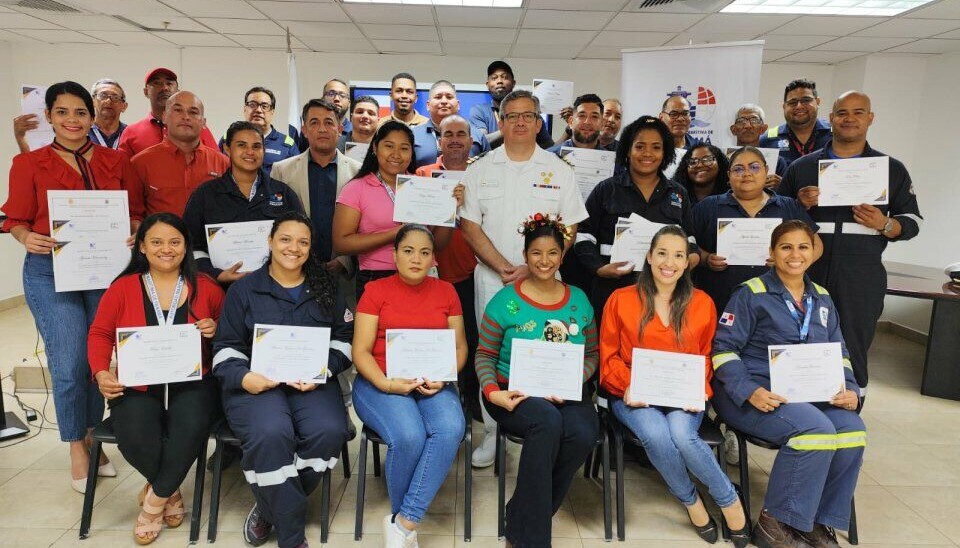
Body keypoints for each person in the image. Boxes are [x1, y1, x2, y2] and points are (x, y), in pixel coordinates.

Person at [1, 81, 138, 493]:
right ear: (49, 117)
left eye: (80, 113)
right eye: (62, 112)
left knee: (96, 360)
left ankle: (94, 433)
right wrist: (26, 237)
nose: (72, 121)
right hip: (50, 272)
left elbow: (136, 213)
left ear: (92, 117)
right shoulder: (28, 164)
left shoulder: (118, 162)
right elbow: (15, 219)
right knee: (67, 363)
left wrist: (133, 230)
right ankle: (76, 445)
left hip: (103, 272)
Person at [711, 220, 865, 548]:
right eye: (786, 247)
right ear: (771, 253)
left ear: (813, 253)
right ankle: (775, 524)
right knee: (817, 431)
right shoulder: (751, 293)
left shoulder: (822, 298)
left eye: (803, 247)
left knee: (853, 430)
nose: (795, 254)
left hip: (812, 397)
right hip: (753, 395)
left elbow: (840, 353)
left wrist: (850, 390)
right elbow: (723, 350)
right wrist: (749, 390)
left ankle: (815, 522)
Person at [460, 89, 588, 468]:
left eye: (527, 115)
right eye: (511, 115)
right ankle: (493, 433)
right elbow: (469, 225)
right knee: (493, 354)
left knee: (543, 349)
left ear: (538, 122)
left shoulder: (559, 170)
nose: (519, 122)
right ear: (499, 122)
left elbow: (570, 227)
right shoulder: (480, 168)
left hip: (547, 282)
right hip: (493, 280)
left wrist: (533, 268)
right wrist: (503, 265)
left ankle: (542, 427)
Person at [599, 225, 750, 548]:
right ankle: (691, 501)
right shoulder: (620, 300)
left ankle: (728, 500)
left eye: (678, 255)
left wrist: (699, 392)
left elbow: (709, 357)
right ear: (650, 257)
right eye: (663, 253)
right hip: (632, 395)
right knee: (656, 434)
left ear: (687, 263)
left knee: (682, 434)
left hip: (683, 396)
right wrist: (627, 386)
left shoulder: (703, 303)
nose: (670, 262)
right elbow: (608, 356)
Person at [212, 212, 353, 548]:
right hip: (256, 387)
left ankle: (269, 507)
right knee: (270, 433)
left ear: (310, 248)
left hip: (311, 384)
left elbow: (345, 339)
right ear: (270, 242)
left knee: (330, 431)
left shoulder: (326, 287)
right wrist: (244, 377)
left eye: (303, 242)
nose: (294, 248)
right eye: (286, 239)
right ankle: (291, 535)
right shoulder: (244, 290)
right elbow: (224, 349)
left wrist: (324, 370)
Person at [87, 213, 223, 545]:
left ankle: (152, 504)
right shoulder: (123, 287)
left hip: (194, 382)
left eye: (175, 242)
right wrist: (102, 372)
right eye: (157, 242)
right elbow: (100, 334)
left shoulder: (206, 286)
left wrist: (215, 330)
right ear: (143, 247)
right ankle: (169, 491)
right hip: (136, 382)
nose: (166, 249)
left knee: (190, 429)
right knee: (134, 435)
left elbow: (232, 334)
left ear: (186, 247)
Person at [778, 91, 922, 392]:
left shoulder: (890, 168)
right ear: (830, 118)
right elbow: (773, 217)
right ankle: (802, 405)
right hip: (804, 270)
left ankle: (852, 402)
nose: (849, 119)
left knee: (853, 341)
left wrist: (885, 223)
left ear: (870, 118)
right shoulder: (802, 167)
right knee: (798, 336)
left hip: (861, 272)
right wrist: (799, 205)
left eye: (858, 112)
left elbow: (912, 223)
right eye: (842, 112)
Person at [475, 214, 599, 548]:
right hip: (510, 392)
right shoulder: (505, 301)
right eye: (536, 253)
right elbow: (484, 355)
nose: (544, 261)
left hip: (565, 391)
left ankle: (522, 513)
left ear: (562, 255)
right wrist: (492, 393)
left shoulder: (578, 299)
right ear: (526, 255)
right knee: (546, 422)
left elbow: (592, 354)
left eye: (552, 253)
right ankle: (529, 538)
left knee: (584, 432)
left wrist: (575, 379)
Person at [351, 224, 468, 548]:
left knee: (450, 427)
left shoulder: (446, 291)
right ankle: (405, 526)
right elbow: (359, 351)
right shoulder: (375, 292)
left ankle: (403, 522)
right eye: (408, 250)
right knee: (408, 435)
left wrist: (444, 376)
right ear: (394, 255)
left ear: (433, 259)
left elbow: (460, 348)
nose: (416, 258)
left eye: (425, 252)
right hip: (380, 382)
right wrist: (387, 384)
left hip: (432, 381)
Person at [574, 116, 698, 321]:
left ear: (665, 152)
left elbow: (690, 241)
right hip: (612, 290)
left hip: (665, 295)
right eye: (639, 146)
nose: (647, 153)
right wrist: (598, 268)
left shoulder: (678, 194)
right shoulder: (606, 189)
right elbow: (584, 235)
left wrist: (690, 259)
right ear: (627, 151)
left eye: (656, 147)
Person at [334, 120, 462, 300]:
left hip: (423, 273)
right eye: (388, 146)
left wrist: (450, 209)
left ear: (411, 153)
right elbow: (341, 243)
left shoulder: (422, 187)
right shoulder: (356, 188)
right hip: (377, 275)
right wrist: (397, 233)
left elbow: (438, 244)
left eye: (404, 148)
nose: (396, 154)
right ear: (375, 148)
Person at [692, 146, 821, 312]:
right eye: (738, 169)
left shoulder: (788, 206)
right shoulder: (707, 207)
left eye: (754, 167)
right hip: (721, 302)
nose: (746, 173)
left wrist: (791, 261)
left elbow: (817, 245)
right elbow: (686, 246)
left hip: (778, 304)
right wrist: (706, 259)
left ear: (766, 170)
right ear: (728, 175)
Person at [415, 114, 482, 422]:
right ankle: (438, 402)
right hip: (434, 274)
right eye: (448, 134)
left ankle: (471, 406)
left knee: (471, 340)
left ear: (471, 141)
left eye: (461, 133)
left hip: (475, 274)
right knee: (438, 343)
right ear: (439, 140)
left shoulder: (483, 173)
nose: (455, 139)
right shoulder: (423, 174)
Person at [183, 121, 305, 283]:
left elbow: (302, 239)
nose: (250, 152)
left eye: (256, 146)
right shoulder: (205, 195)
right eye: (242, 145)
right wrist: (215, 273)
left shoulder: (283, 193)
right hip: (221, 289)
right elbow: (190, 245)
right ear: (227, 149)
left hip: (275, 287)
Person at [271, 98, 363, 284]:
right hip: (295, 270)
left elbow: (364, 225)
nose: (322, 129)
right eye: (314, 123)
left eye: (329, 122)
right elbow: (275, 221)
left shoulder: (359, 172)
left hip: (343, 273)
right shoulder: (281, 170)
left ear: (340, 129)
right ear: (304, 130)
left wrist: (345, 260)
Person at [129, 91, 230, 218]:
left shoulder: (224, 164)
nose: (186, 117)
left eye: (193, 112)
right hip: (160, 237)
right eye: (178, 110)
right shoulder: (140, 163)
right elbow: (134, 216)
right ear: (164, 117)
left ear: (204, 122)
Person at [118, 68, 218, 157]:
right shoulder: (131, 133)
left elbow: (217, 165)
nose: (164, 88)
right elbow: (123, 172)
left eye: (169, 83)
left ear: (178, 91)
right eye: (157, 83)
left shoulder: (196, 127)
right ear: (146, 92)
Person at [14, 78, 129, 153]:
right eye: (103, 95)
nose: (108, 101)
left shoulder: (131, 134)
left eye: (115, 97)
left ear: (124, 106)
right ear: (92, 101)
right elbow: (39, 161)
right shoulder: (75, 131)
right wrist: (21, 139)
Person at [468, 60, 553, 149]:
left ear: (513, 83)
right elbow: (481, 142)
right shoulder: (479, 111)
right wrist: (508, 128)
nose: (499, 81)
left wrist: (567, 132)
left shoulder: (531, 114)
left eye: (505, 77)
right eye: (494, 78)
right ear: (488, 84)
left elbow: (550, 150)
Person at [219, 87, 298, 178]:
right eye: (252, 105)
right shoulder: (227, 139)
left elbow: (296, 177)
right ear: (245, 109)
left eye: (264, 106)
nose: (258, 110)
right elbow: (218, 167)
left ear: (272, 111)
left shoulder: (287, 144)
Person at [411, 80, 490, 169]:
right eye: (438, 97)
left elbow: (488, 169)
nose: (444, 101)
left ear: (458, 105)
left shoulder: (477, 135)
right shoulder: (413, 135)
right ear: (428, 105)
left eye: (449, 97)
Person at [758, 79, 832, 167]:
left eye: (806, 100)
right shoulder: (767, 140)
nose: (799, 106)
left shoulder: (834, 134)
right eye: (792, 102)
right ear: (784, 106)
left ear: (817, 102)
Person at [729, 103, 788, 183]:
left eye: (754, 120)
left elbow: (786, 193)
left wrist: (781, 186)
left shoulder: (778, 162)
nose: (748, 126)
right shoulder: (724, 160)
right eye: (742, 121)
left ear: (763, 129)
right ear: (733, 130)